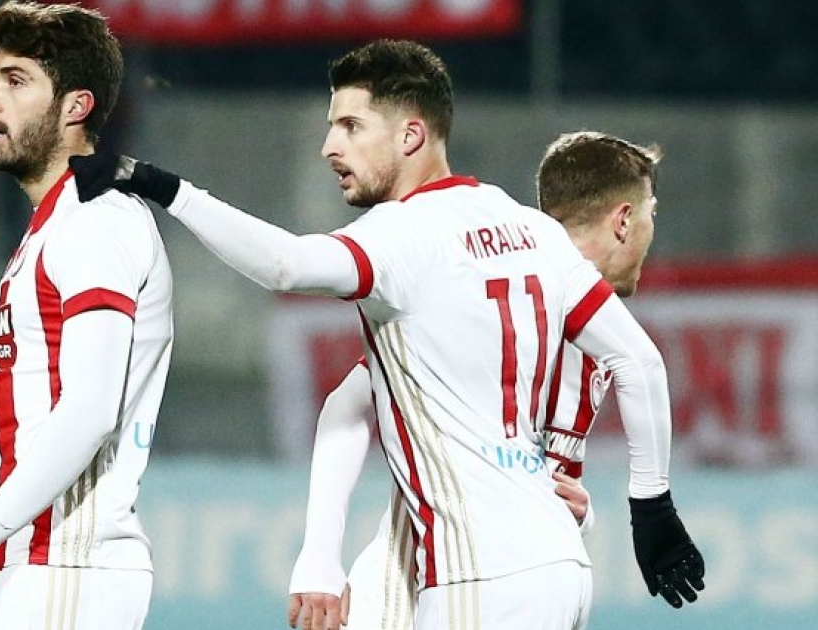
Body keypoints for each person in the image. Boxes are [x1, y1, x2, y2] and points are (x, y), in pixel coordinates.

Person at [71, 40, 703, 630]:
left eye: (351, 126)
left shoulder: (402, 235)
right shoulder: (530, 228)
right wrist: (652, 509)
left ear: (410, 135)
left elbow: (286, 265)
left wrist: (164, 187)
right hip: (559, 563)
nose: (329, 147)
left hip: (477, 571)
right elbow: (640, 361)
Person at [287, 131, 672, 630]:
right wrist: (319, 553)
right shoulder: (502, 296)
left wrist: (577, 511)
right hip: (420, 577)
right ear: (624, 219)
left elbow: (544, 470)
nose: (651, 230)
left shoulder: (600, 332)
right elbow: (350, 402)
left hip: (506, 577)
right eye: (651, 213)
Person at [0, 3, 173, 630]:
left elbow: (89, 410)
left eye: (16, 81)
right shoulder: (56, 227)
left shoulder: (95, 223)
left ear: (76, 106)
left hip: (68, 562)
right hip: (44, 565)